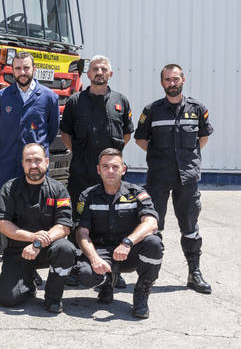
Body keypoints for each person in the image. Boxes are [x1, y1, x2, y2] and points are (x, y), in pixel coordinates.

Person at [134, 63, 214, 294]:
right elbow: (141, 139)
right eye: (168, 79)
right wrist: (160, 157)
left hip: (187, 179)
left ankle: (194, 273)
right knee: (152, 226)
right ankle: (149, 276)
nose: (172, 83)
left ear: (183, 80)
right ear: (162, 83)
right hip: (158, 177)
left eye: (175, 79)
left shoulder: (197, 108)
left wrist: (188, 159)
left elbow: (203, 137)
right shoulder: (152, 110)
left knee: (190, 226)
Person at [60, 55, 133, 288]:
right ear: (88, 74)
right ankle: (75, 264)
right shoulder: (74, 101)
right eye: (94, 69)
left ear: (110, 74)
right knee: (77, 219)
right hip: (81, 172)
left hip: (111, 176)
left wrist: (108, 165)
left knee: (114, 219)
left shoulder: (121, 101)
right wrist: (83, 157)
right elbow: (66, 134)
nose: (99, 72)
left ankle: (115, 268)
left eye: (103, 69)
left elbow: (127, 134)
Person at [75, 148, 163, 319]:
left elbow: (151, 222)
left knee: (154, 243)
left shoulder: (136, 192)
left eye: (115, 167)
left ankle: (142, 293)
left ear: (123, 169)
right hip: (102, 253)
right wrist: (94, 259)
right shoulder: (88, 196)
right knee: (85, 275)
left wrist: (127, 243)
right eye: (105, 166)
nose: (110, 171)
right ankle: (107, 280)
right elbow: (81, 232)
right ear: (98, 169)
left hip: (130, 253)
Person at [0, 143, 74, 313]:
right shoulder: (9, 188)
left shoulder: (59, 190)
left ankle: (53, 297)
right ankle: (28, 283)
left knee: (66, 248)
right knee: (8, 300)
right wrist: (32, 238)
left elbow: (64, 226)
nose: (33, 165)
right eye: (28, 161)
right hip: (18, 250)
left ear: (46, 161)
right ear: (22, 164)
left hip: (48, 248)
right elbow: (2, 224)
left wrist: (38, 244)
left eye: (37, 160)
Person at [0, 52, 59, 191]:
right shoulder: (1, 97)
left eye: (26, 68)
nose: (22, 72)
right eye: (18, 68)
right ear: (12, 70)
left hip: (35, 166)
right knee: (6, 208)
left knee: (36, 209)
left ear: (34, 68)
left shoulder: (49, 97)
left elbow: (52, 130)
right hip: (7, 164)